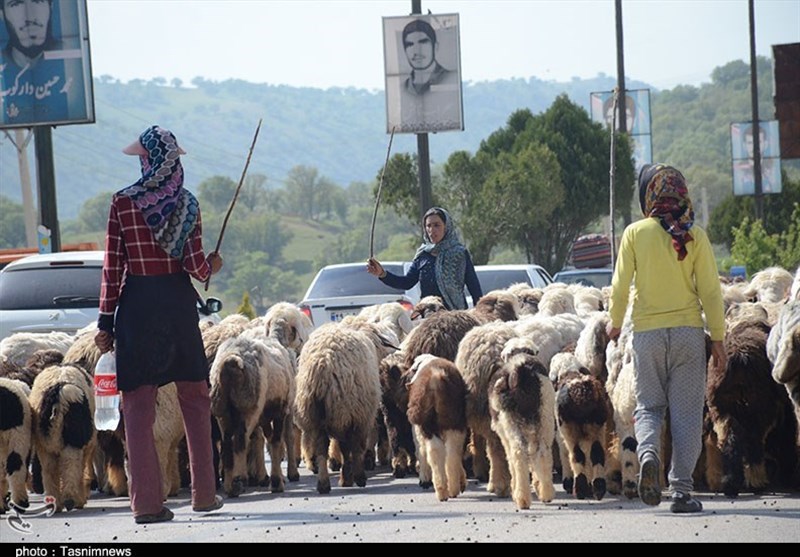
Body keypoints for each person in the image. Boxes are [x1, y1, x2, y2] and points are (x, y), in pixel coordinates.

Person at [94, 125, 224, 524]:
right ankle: (203, 494)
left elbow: (113, 269)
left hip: (137, 309)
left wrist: (105, 321)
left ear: (146, 160)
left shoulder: (123, 203)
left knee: (137, 406)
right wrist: (212, 266)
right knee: (196, 399)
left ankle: (146, 503)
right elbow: (197, 266)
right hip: (178, 308)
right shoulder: (187, 205)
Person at [606, 163, 727, 514]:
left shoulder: (634, 233)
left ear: (649, 195)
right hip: (689, 335)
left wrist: (614, 324)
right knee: (687, 415)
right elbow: (711, 292)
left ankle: (648, 455)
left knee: (649, 407)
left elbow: (619, 286)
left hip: (647, 336)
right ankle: (681, 492)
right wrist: (718, 339)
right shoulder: (695, 235)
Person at [366, 206, 482, 311]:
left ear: (446, 227)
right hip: (428, 315)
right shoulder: (423, 255)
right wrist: (382, 273)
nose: (432, 230)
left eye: (437, 225)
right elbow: (407, 282)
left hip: (456, 316)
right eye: (428, 226)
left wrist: (481, 314)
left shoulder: (459, 254)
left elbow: (474, 287)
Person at [394, 18, 462, 133]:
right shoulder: (403, 88)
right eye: (410, 44)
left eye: (423, 42)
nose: (416, 51)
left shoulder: (449, 79)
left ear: (435, 46)